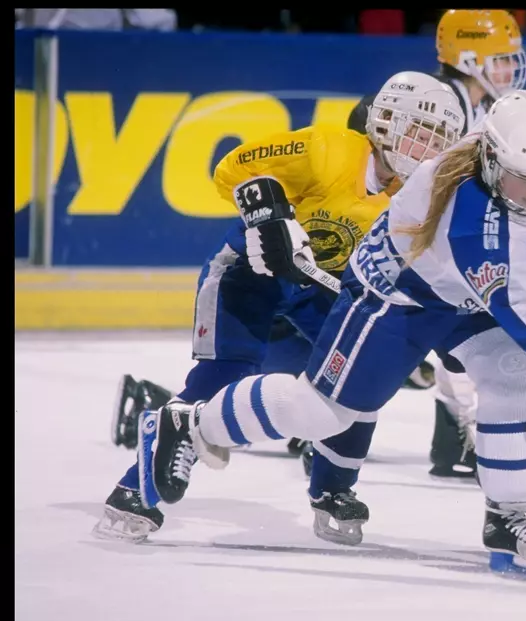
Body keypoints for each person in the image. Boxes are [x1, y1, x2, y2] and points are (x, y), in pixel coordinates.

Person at [134, 90, 526, 580]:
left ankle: (508, 516)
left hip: (459, 293)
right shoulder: (473, 223)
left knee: (517, 379)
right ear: (490, 161)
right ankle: (191, 424)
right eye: (525, 180)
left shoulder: (510, 162)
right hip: (397, 299)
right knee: (324, 411)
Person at [93, 72, 465, 543]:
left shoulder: (416, 199)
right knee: (219, 378)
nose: (425, 149)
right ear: (386, 123)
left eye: (437, 141)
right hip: (249, 274)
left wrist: (421, 329)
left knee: (357, 380)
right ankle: (134, 492)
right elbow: (232, 167)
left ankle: (332, 488)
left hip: (315, 289)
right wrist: (271, 213)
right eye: (419, 133)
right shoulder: (329, 149)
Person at [345, 9, 526, 480]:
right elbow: (365, 118)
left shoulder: (481, 109)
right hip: (387, 241)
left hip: (418, 240)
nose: (510, 70)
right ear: (468, 58)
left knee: (463, 321)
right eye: (500, 59)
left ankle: (452, 438)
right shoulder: (435, 101)